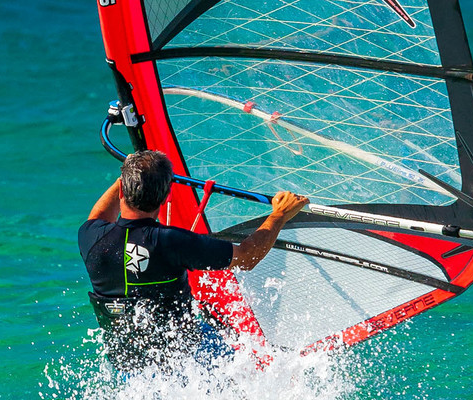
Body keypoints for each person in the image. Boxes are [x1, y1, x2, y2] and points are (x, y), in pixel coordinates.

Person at [78, 149, 307, 367]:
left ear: (121, 192)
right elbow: (247, 257)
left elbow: (98, 216)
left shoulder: (91, 238)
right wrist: (280, 214)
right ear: (167, 196)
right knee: (254, 357)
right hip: (187, 359)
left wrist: (126, 177)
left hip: (131, 366)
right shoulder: (172, 242)